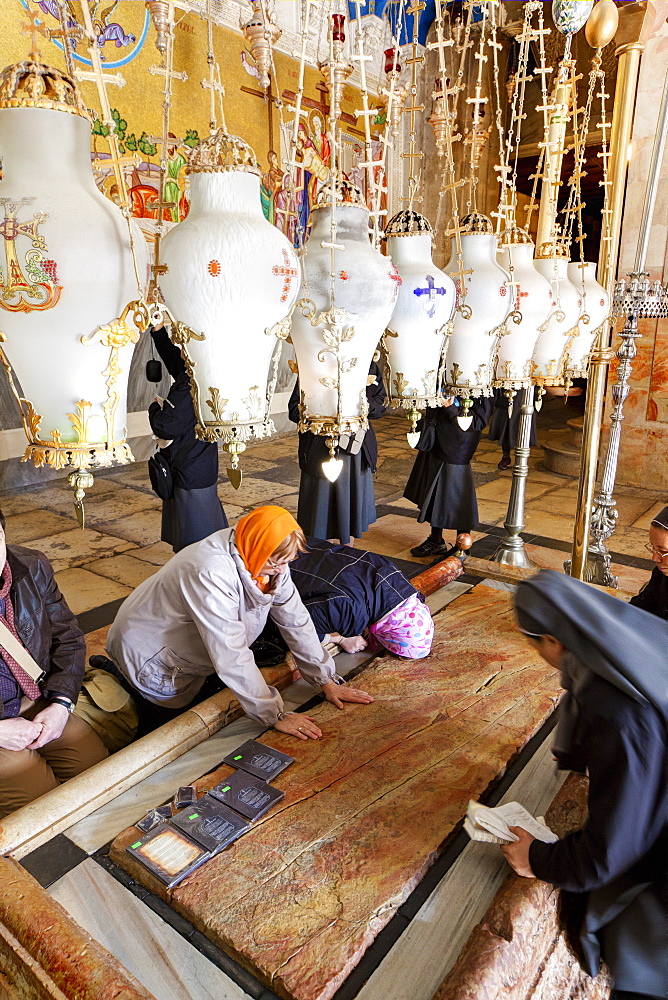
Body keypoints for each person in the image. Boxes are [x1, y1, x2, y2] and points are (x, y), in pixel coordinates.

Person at [504, 570, 667, 1000]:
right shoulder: (639, 648)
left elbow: (612, 850)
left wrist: (537, 858)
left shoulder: (617, 711)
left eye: (535, 645)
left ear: (554, 642)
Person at [105, 506, 374, 741]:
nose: (281, 570)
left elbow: (295, 618)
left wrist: (326, 680)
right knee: (154, 721)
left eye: (288, 562)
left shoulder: (265, 554)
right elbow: (230, 652)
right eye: (276, 562)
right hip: (149, 652)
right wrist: (275, 714)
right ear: (257, 548)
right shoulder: (210, 571)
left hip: (179, 647)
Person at [0, 510, 108, 818]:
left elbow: (69, 639)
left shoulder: (31, 567)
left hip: (35, 697)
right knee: (40, 805)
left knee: (94, 768)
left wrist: (61, 705)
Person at [288, 360, 386, 545]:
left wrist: (360, 404)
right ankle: (323, 560)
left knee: (350, 515)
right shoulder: (313, 362)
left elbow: (380, 405)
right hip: (319, 451)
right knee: (319, 514)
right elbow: (294, 410)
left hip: (355, 451)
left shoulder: (369, 364)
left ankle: (347, 558)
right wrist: (325, 407)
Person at [148, 325, 227, 552]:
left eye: (182, 345)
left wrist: (154, 408)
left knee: (197, 536)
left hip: (188, 469)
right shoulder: (202, 373)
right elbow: (174, 360)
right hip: (200, 463)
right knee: (204, 522)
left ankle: (200, 569)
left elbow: (165, 426)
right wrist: (158, 330)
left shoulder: (188, 386)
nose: (179, 349)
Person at [289, 538, 435, 658]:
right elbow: (292, 625)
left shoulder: (395, 576)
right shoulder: (350, 614)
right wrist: (341, 638)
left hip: (293, 542)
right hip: (274, 564)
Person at [405, 393, 493, 557]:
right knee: (435, 489)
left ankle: (463, 545)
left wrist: (451, 408)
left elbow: (478, 422)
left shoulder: (482, 386)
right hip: (437, 438)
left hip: (458, 444)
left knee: (457, 491)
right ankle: (436, 541)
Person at [629, 505, 668, 619]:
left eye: (662, 551)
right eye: (653, 548)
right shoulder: (660, 576)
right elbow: (640, 608)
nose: (654, 558)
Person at [487, 387, 537, 470]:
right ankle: (506, 456)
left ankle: (521, 459)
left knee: (523, 426)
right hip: (506, 388)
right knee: (505, 426)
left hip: (524, 391)